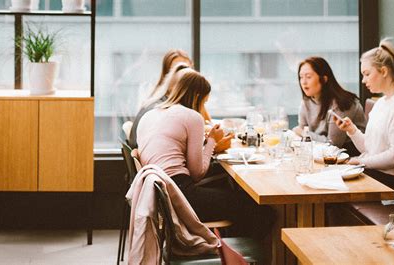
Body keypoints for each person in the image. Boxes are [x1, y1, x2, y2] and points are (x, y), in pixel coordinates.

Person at [137, 69, 274, 239]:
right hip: (180, 195)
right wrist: (212, 141)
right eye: (204, 102)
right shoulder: (192, 117)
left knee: (230, 190)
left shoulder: (149, 115)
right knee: (258, 210)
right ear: (197, 97)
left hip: (157, 195)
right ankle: (238, 257)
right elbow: (197, 173)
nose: (203, 108)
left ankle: (228, 251)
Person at [334, 39, 394, 192]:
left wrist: (362, 162)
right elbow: (370, 148)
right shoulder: (381, 103)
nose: (363, 80)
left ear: (384, 71)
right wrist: (352, 130)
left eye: (367, 74)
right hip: (377, 175)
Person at [128, 49, 231, 153]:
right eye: (177, 71)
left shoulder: (166, 99)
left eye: (187, 70)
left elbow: (207, 123)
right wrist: (214, 147)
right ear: (167, 75)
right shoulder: (165, 109)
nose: (183, 75)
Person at [293, 57, 367, 155]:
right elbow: (300, 134)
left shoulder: (342, 103)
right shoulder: (306, 101)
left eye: (308, 77)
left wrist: (304, 133)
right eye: (301, 77)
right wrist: (302, 133)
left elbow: (333, 144)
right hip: (321, 154)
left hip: (348, 157)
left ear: (324, 79)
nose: (303, 82)